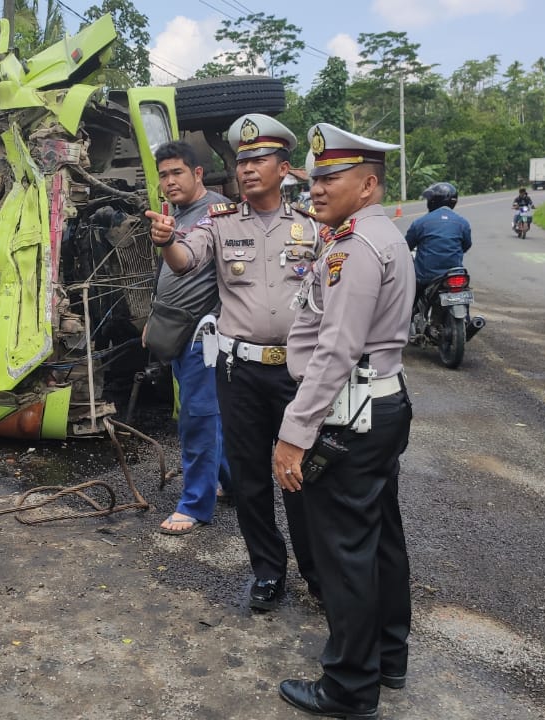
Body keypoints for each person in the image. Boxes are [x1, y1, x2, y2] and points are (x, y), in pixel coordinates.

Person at [146, 114, 320, 611]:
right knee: (249, 478)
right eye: (241, 161)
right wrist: (165, 242)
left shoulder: (311, 226)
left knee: (301, 475)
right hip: (238, 369)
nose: (247, 169)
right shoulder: (218, 224)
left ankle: (315, 572)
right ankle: (268, 572)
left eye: (258, 160)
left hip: (295, 372)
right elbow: (185, 259)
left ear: (283, 168)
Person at [271, 122, 415, 720]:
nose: (319, 187)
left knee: (345, 552)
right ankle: (388, 657)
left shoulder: (357, 245)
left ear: (369, 184)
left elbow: (335, 350)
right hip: (380, 404)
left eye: (333, 177)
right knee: (379, 536)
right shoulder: (374, 236)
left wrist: (293, 434)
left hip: (348, 413)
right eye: (317, 176)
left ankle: (350, 689)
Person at [146, 141, 232, 535]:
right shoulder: (176, 215)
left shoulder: (216, 212)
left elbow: (186, 263)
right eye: (163, 174)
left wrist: (167, 242)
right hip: (176, 329)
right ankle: (230, 483)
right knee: (207, 416)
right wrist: (154, 316)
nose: (169, 181)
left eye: (177, 172)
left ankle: (196, 504)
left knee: (198, 419)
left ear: (197, 173)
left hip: (204, 334)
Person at [406, 181, 471, 295]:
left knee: (410, 299)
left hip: (426, 277)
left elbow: (406, 246)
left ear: (433, 201)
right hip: (454, 275)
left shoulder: (420, 222)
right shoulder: (462, 222)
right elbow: (466, 245)